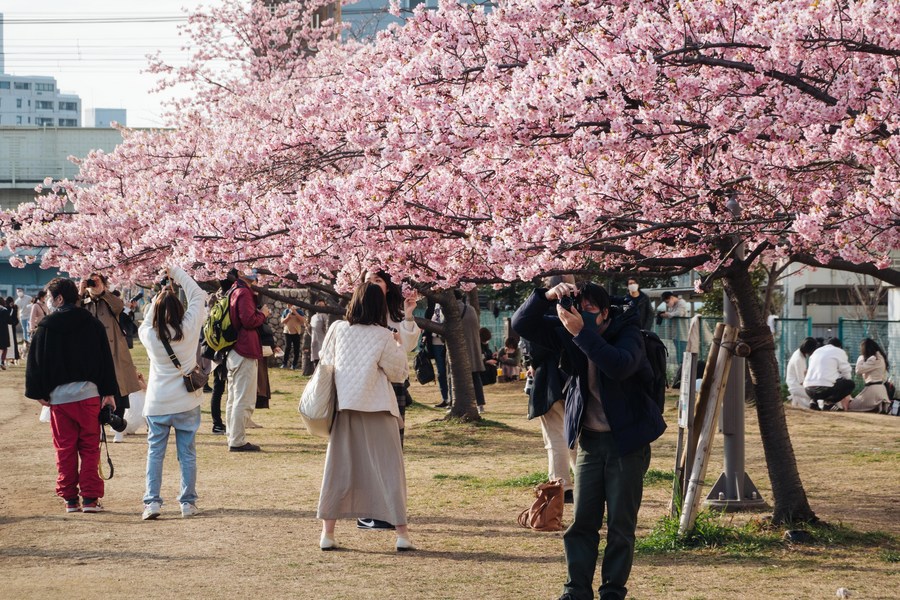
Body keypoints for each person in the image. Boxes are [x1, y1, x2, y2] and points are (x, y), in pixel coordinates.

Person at [513, 281, 666, 600]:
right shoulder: (570, 330)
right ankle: (576, 591)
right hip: (590, 443)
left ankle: (612, 591)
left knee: (621, 525)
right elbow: (522, 324)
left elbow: (619, 366)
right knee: (582, 521)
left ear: (605, 313)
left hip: (627, 443)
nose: (581, 314)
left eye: (590, 309)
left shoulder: (628, 332)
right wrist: (545, 296)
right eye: (578, 307)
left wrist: (582, 334)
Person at [317, 282, 413, 552]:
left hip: (345, 408)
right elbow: (398, 374)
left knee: (337, 471)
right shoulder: (383, 335)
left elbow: (325, 360)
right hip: (378, 408)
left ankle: (327, 533)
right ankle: (402, 535)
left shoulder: (337, 329)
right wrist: (398, 345)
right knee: (389, 472)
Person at [25, 277, 118, 513]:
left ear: (59, 298)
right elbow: (105, 360)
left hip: (59, 399)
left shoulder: (46, 327)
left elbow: (35, 363)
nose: (48, 301)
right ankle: (90, 499)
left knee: (65, 449)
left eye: (50, 297)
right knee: (90, 447)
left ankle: (70, 499)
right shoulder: (92, 324)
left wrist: (38, 392)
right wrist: (108, 392)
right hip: (89, 396)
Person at [138, 266, 207, 520]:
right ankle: (187, 503)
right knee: (187, 454)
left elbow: (147, 321)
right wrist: (176, 273)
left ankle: (152, 503)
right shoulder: (189, 328)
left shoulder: (150, 335)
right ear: (180, 310)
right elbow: (197, 295)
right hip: (186, 401)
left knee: (155, 454)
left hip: (157, 402)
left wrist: (158, 299)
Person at [79, 273, 143, 441]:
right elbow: (73, 313)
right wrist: (81, 292)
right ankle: (99, 429)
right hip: (91, 352)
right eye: (91, 281)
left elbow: (119, 306)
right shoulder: (83, 302)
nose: (93, 284)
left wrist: (102, 292)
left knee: (119, 389)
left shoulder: (110, 299)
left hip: (114, 351)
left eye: (97, 281)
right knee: (95, 391)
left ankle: (118, 428)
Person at [225, 268, 269, 452]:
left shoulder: (234, 290)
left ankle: (233, 436)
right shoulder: (243, 292)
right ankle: (237, 440)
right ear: (241, 273)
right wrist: (263, 314)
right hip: (244, 350)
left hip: (235, 350)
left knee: (234, 397)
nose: (255, 273)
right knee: (243, 398)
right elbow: (249, 321)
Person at [803, 338, 854, 410]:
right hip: (824, 389)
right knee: (850, 384)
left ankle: (813, 401)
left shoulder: (817, 351)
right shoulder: (839, 351)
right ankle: (829, 403)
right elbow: (846, 372)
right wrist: (846, 392)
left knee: (821, 381)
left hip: (808, 390)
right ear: (839, 347)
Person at [846, 338, 891, 413]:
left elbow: (858, 370)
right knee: (867, 407)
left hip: (872, 389)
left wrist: (861, 357)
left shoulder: (873, 359)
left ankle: (877, 405)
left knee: (851, 406)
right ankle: (879, 404)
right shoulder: (881, 357)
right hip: (881, 389)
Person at [785, 337, 820, 409]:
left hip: (794, 383)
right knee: (816, 394)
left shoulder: (799, 353)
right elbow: (801, 381)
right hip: (795, 386)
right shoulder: (798, 359)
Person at [429, 302, 451, 408]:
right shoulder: (435, 304)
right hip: (436, 341)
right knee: (441, 372)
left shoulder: (449, 302)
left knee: (450, 371)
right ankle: (445, 398)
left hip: (448, 341)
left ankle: (451, 398)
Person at [280, 305, 306, 369]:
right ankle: (284, 364)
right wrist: (288, 317)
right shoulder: (286, 311)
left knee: (296, 349)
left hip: (296, 332)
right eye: (287, 304)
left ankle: (294, 365)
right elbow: (282, 321)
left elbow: (303, 320)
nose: (288, 306)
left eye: (289, 304)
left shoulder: (299, 311)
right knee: (287, 347)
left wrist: (295, 313)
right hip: (287, 332)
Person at [309, 299, 329, 370]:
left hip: (322, 341)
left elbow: (326, 328)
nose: (321, 307)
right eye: (319, 305)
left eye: (322, 306)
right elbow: (311, 331)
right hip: (314, 341)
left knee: (322, 359)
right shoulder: (313, 317)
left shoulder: (325, 316)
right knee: (315, 359)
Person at [6, 297, 21, 365]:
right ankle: (12, 357)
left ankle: (12, 357)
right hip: (10, 327)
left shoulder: (11, 309)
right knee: (12, 342)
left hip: (8, 328)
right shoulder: (12, 308)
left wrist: (13, 324)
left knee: (10, 343)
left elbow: (16, 319)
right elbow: (16, 319)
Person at [0, 300, 12, 369]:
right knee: (4, 347)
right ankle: (2, 362)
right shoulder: (5, 310)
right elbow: (9, 321)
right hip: (3, 331)